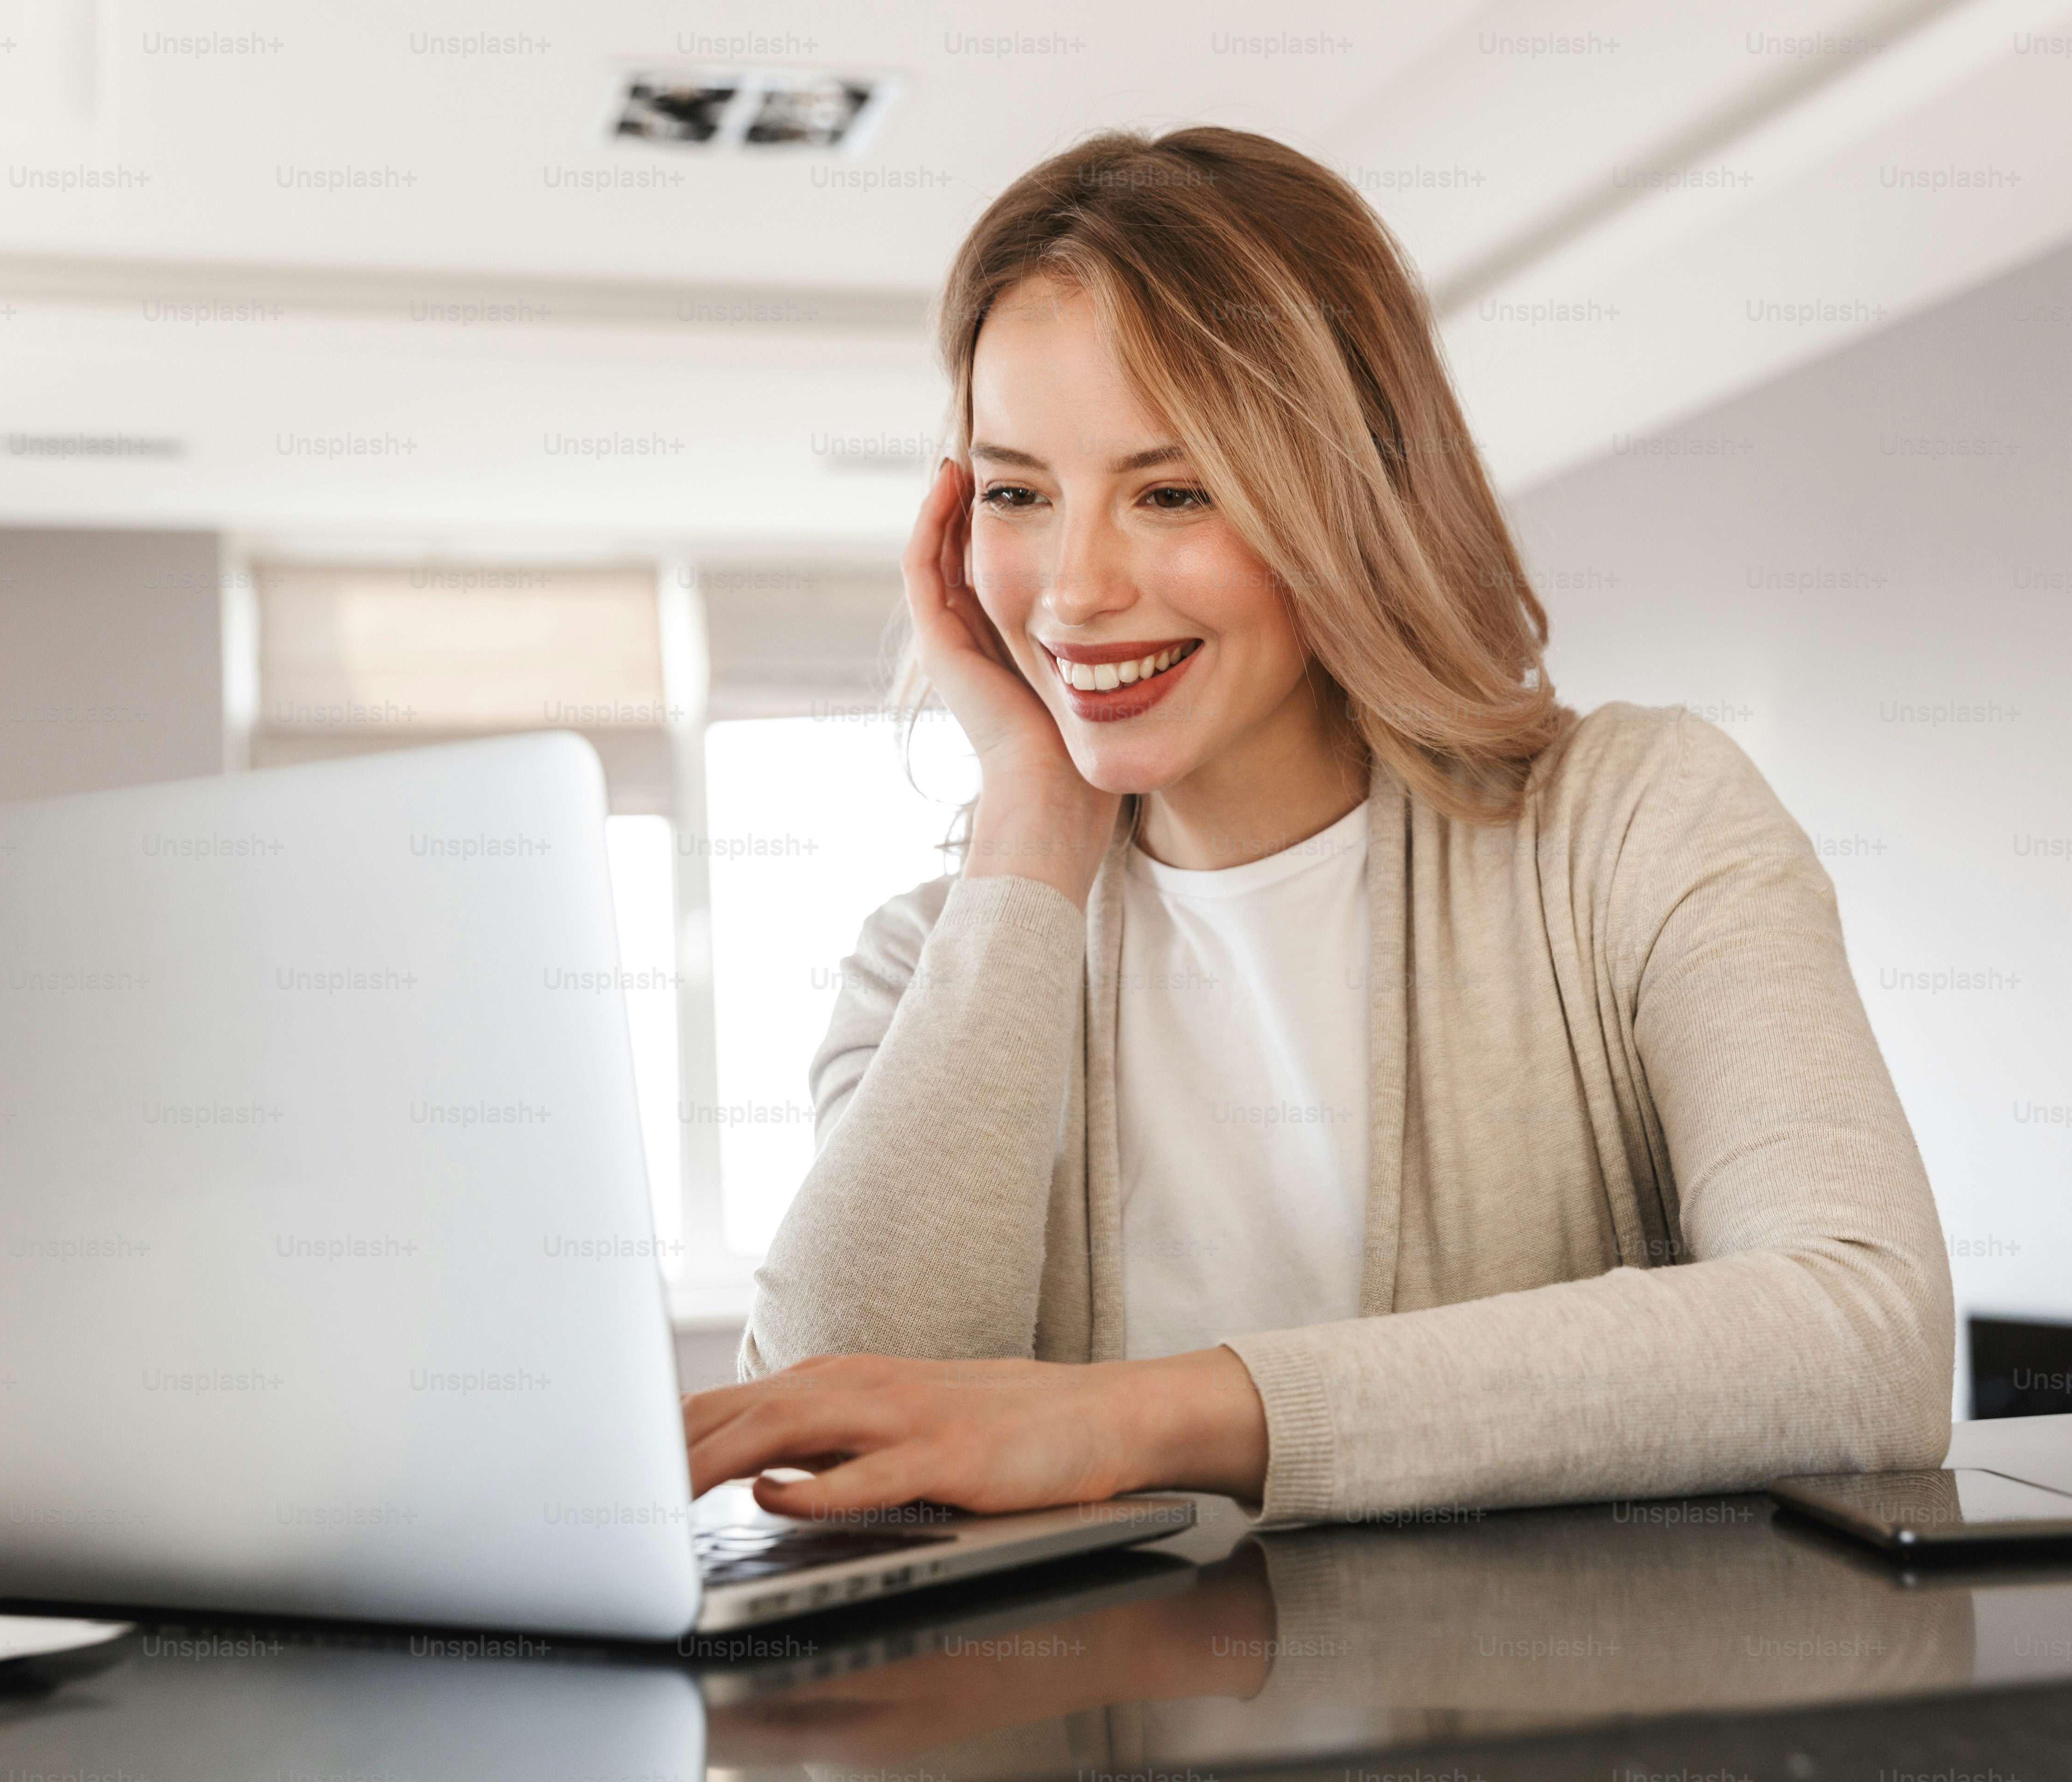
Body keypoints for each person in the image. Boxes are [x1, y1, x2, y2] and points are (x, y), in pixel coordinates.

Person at [681, 125, 1953, 1526]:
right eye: (1017, 495)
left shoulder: (1635, 825)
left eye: (1173, 492)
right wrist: (1032, 825)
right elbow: (818, 1435)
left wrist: (1135, 1422)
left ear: (1345, 497)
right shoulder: (931, 961)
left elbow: (1867, 1340)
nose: (1074, 592)